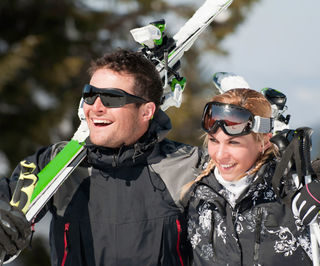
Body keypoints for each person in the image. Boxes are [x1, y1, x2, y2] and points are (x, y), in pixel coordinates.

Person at [0, 49, 203, 265]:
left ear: (146, 111)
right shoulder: (57, 163)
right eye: (90, 95)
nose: (95, 107)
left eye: (112, 98)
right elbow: (9, 199)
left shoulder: (187, 167)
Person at [180, 88, 320, 265]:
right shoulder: (195, 193)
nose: (220, 154)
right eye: (213, 140)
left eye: (233, 143)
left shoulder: (293, 193)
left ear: (264, 141)